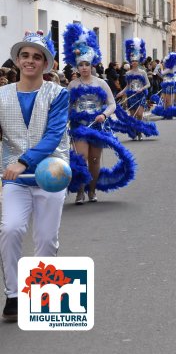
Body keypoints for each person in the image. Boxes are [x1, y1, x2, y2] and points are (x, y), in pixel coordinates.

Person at [0, 30, 69, 321]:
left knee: (45, 238)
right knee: (11, 229)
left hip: (52, 172)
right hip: (13, 176)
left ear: (46, 64)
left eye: (37, 57)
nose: (30, 61)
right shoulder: (1, 95)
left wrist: (24, 162)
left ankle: (42, 292)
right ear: (17, 60)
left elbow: (54, 135)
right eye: (25, 55)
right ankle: (14, 295)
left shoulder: (58, 93)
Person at [63, 23, 118, 204]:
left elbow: (112, 104)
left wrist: (104, 115)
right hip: (79, 127)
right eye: (81, 65)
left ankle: (92, 190)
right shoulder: (72, 85)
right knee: (82, 158)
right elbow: (66, 107)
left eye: (87, 64)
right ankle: (80, 190)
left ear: (92, 64)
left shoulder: (101, 83)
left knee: (94, 159)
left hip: (97, 126)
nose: (84, 68)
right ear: (77, 67)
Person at [116, 38, 150, 140]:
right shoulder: (128, 73)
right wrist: (121, 93)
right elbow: (127, 85)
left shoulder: (143, 72)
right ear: (130, 62)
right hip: (131, 96)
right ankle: (136, 131)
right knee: (133, 116)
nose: (134, 62)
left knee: (139, 114)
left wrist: (142, 89)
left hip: (140, 95)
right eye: (132, 61)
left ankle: (139, 131)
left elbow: (148, 84)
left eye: (136, 60)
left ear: (138, 61)